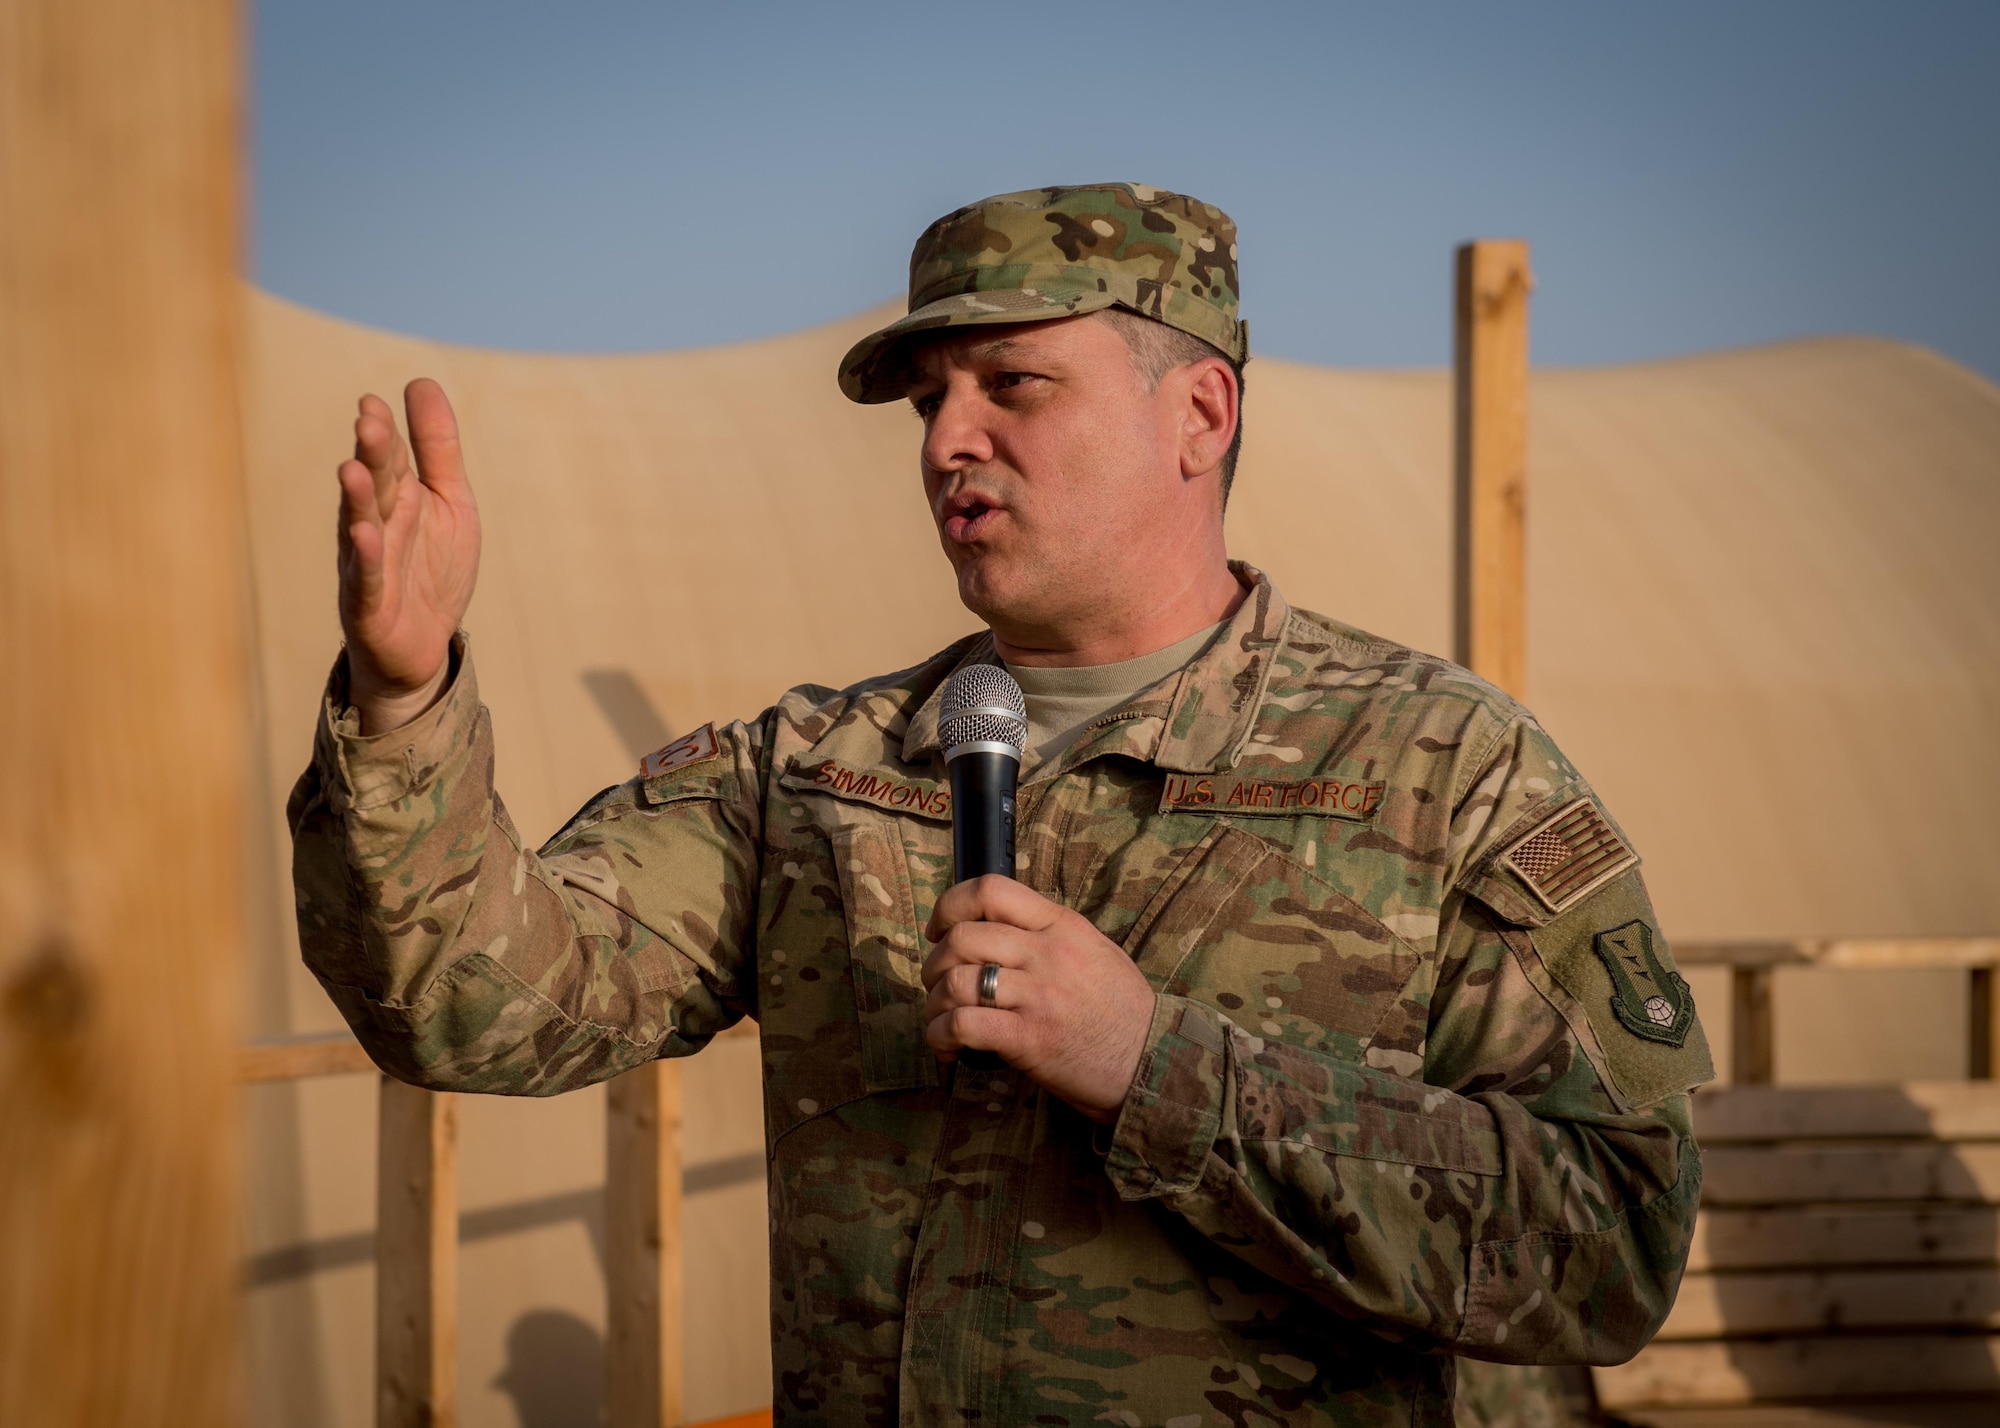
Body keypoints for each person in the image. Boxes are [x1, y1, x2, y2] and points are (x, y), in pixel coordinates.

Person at [290, 183, 1712, 1427]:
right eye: (928, 403)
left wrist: (1160, 1066)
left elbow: (1611, 1248)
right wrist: (403, 702)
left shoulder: (1443, 772)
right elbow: (475, 1007)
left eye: (1011, 386)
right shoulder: (818, 772)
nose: (946, 442)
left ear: (1199, 414)